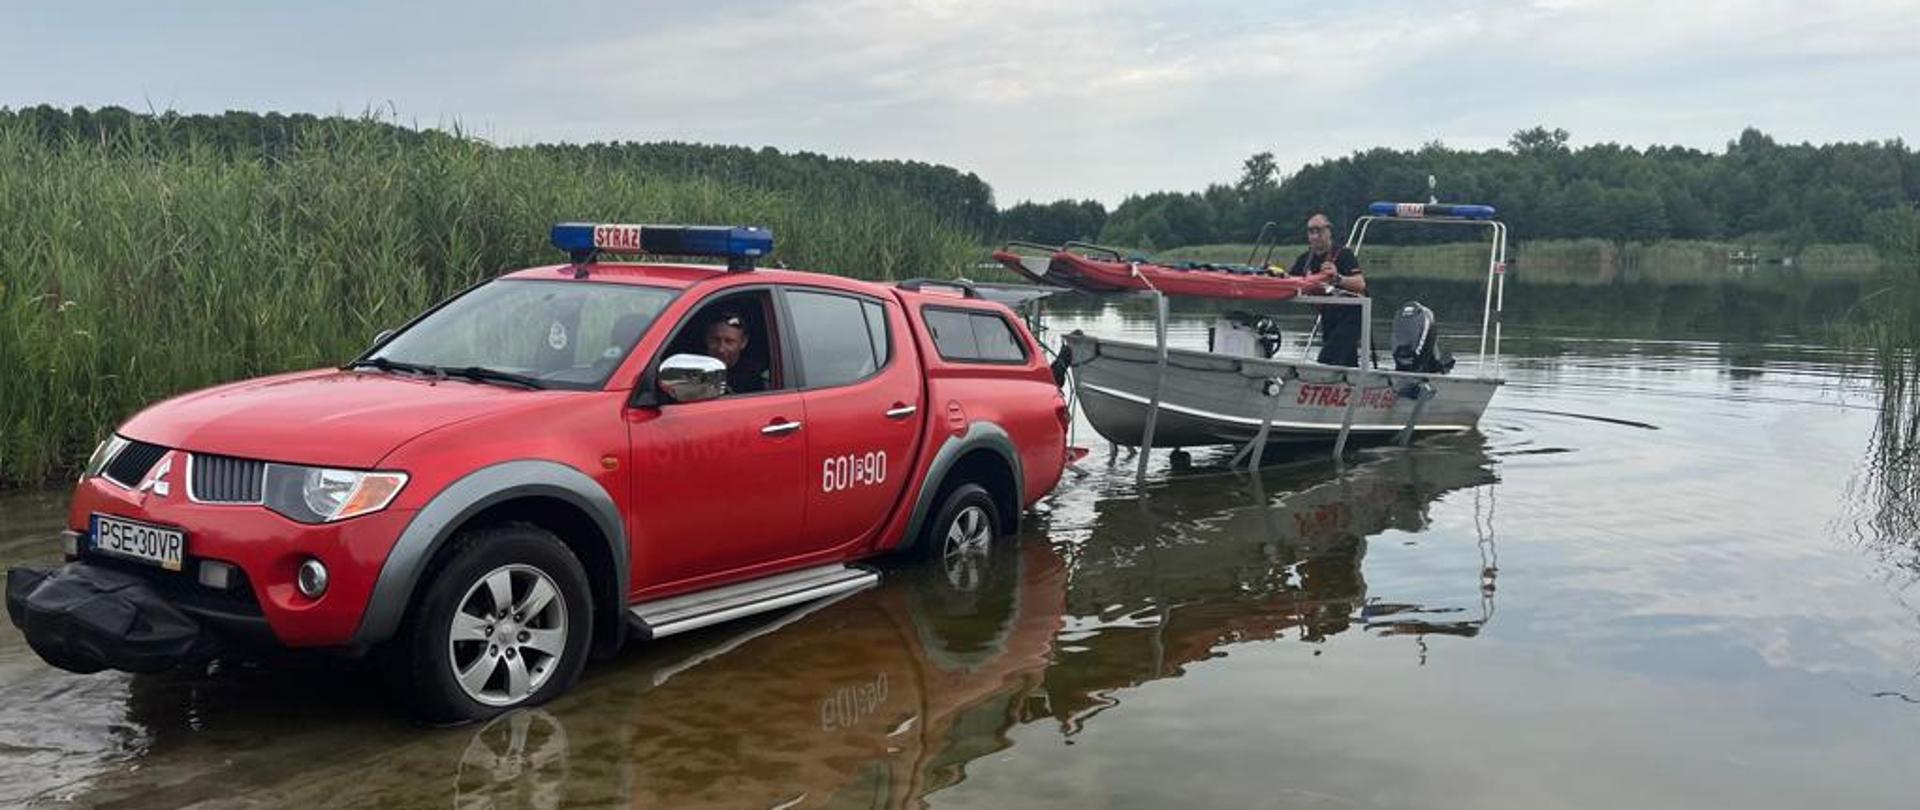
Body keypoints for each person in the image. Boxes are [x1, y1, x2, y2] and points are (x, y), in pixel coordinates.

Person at [1285, 214, 1367, 366]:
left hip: (1352, 314)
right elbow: (1289, 281)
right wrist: (1271, 274)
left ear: (1329, 231)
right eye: (1311, 231)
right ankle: (1348, 386)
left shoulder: (1343, 255)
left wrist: (1338, 278)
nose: (1315, 236)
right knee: (1346, 361)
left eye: (1319, 231)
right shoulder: (1304, 260)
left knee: (1327, 358)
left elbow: (1360, 284)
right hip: (1328, 314)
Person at [704, 310, 770, 394]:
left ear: (743, 342)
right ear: (706, 339)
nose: (721, 349)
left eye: (729, 341)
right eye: (715, 340)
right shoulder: (695, 371)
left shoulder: (754, 380)